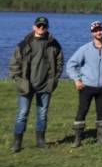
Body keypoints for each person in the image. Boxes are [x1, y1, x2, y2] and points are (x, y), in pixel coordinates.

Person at [9, 16, 63, 153]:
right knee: (22, 114)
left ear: (47, 28)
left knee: (42, 114)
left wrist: (54, 80)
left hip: (45, 85)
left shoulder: (54, 44)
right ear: (34, 27)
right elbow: (14, 64)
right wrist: (19, 80)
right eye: (39, 26)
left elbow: (60, 63)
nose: (41, 28)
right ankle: (17, 142)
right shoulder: (24, 43)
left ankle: (40, 141)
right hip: (26, 85)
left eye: (44, 26)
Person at [66, 21, 102, 147]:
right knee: (82, 112)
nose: (99, 32)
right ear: (92, 32)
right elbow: (71, 64)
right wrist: (77, 79)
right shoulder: (85, 49)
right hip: (86, 86)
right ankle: (77, 140)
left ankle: (101, 139)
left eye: (100, 29)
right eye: (96, 30)